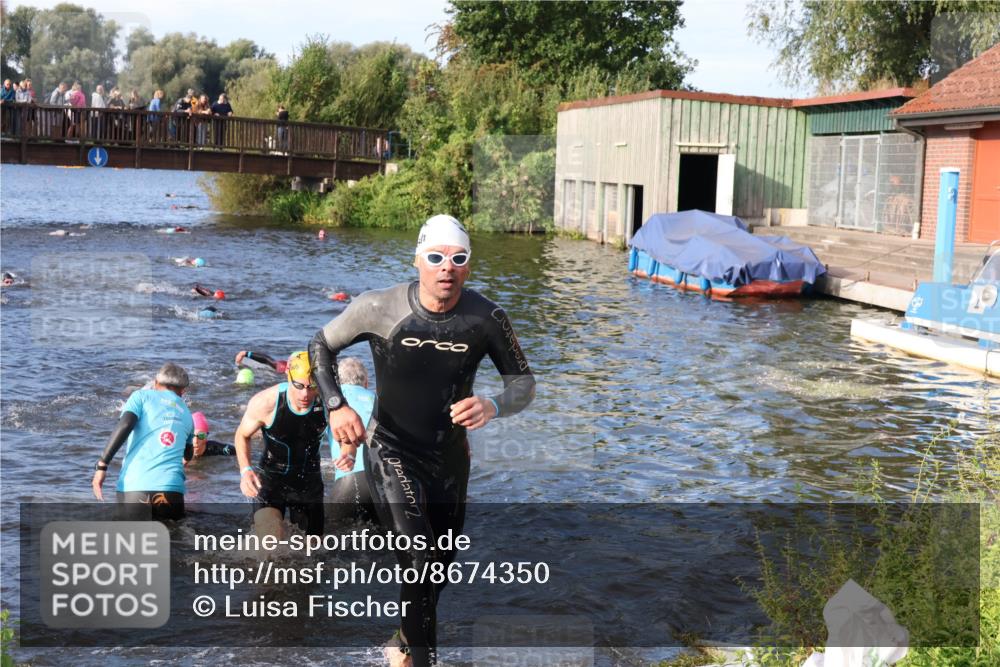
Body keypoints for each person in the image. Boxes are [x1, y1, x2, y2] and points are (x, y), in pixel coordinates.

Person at [308, 214, 536, 667]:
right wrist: (336, 405)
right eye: (435, 257)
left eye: (457, 258)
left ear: (468, 266)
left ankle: (401, 642)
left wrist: (492, 405)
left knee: (437, 570)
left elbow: (524, 384)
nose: (445, 268)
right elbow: (320, 346)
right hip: (391, 449)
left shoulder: (486, 317)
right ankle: (421, 660)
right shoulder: (379, 307)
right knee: (419, 555)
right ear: (418, 261)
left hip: (449, 460)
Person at [234, 352, 349, 540]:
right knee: (269, 542)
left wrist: (348, 454)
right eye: (299, 386)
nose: (305, 394)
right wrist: (245, 470)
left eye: (312, 387)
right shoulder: (265, 402)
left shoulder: (330, 403)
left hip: (308, 483)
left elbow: (347, 436)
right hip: (271, 480)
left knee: (311, 551)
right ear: (288, 376)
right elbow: (241, 435)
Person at [91, 362, 194, 520]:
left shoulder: (141, 396)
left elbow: (125, 424)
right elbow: (188, 453)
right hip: (172, 492)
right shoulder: (188, 414)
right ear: (183, 391)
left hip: (136, 488)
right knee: (173, 541)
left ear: (155, 382)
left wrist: (102, 465)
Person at [327, 357, 377, 524]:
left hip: (351, 481)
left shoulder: (333, 405)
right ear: (366, 382)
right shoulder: (380, 400)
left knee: (322, 543)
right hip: (389, 482)